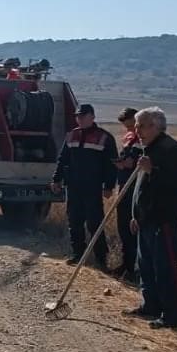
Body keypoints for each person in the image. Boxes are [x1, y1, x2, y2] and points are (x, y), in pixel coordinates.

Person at [125, 107, 177, 330]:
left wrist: (154, 171)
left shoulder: (172, 150)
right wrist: (136, 215)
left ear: (156, 126)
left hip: (164, 221)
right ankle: (150, 305)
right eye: (136, 125)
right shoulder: (148, 149)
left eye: (141, 125)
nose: (137, 130)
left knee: (166, 269)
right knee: (146, 267)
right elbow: (142, 190)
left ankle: (173, 316)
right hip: (145, 221)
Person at [51, 104, 118, 269]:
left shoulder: (104, 137)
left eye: (83, 116)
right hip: (73, 186)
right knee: (74, 221)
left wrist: (109, 186)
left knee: (95, 223)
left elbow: (111, 165)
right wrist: (56, 179)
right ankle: (78, 255)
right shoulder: (71, 135)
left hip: (93, 187)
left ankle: (101, 259)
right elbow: (62, 159)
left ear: (92, 117)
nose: (79, 119)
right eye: (78, 116)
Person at [111, 107, 142, 281]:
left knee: (133, 227)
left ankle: (135, 268)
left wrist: (131, 163)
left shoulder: (144, 138)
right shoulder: (129, 137)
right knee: (123, 226)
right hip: (123, 185)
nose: (127, 127)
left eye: (128, 123)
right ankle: (126, 264)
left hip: (136, 188)